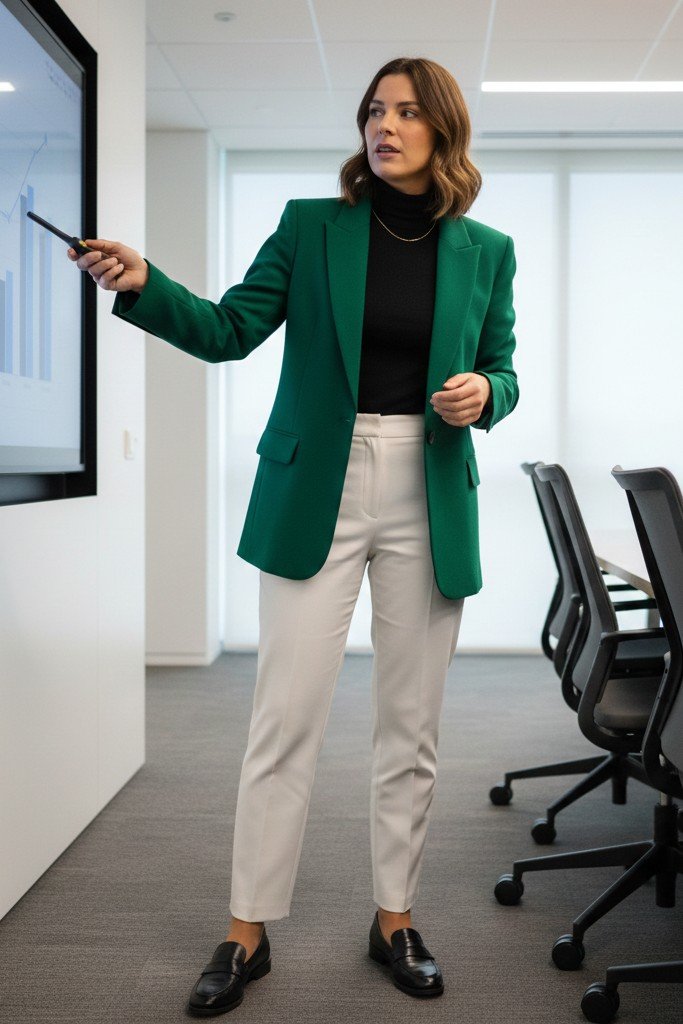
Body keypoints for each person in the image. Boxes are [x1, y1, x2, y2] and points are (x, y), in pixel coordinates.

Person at [69, 55, 518, 1016]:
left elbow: (503, 367)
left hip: (428, 485)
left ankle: (394, 916)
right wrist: (146, 281)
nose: (382, 125)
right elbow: (230, 329)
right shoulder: (312, 227)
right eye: (372, 110)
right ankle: (245, 928)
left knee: (412, 728)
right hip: (318, 482)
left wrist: (488, 394)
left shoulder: (486, 250)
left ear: (442, 131)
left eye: (404, 112)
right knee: (284, 719)